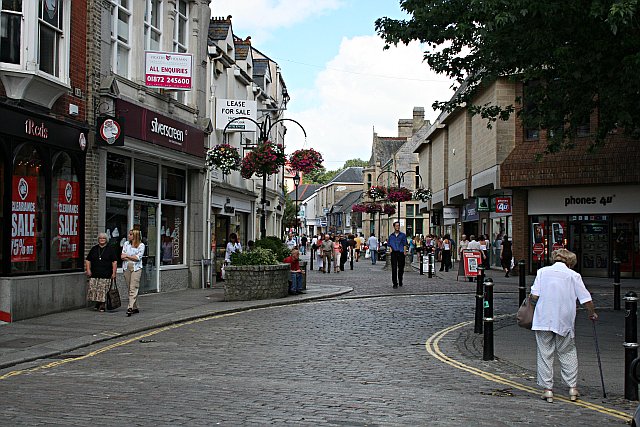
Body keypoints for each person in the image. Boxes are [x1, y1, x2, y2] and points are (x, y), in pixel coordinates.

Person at [530, 248, 598, 403]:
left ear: (555, 258)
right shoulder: (573, 276)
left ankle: (548, 390)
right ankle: (572, 387)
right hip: (564, 319)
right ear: (570, 262)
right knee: (567, 352)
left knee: (545, 353)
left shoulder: (542, 272)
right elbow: (586, 299)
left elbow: (534, 295)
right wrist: (592, 313)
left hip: (543, 318)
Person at [85, 232, 117, 312]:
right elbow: (88, 260)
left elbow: (114, 262)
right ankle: (98, 303)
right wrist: (88, 269)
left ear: (106, 240)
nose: (102, 240)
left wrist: (114, 273)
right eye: (100, 238)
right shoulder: (94, 249)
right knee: (95, 289)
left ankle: (102, 304)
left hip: (106, 274)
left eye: (103, 238)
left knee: (103, 290)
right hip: (95, 273)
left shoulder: (110, 249)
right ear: (98, 240)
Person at [121, 229, 146, 317]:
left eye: (131, 234)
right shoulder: (126, 244)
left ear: (135, 236)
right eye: (129, 234)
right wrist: (131, 257)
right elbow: (122, 256)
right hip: (126, 267)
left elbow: (138, 258)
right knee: (129, 287)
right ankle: (135, 307)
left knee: (133, 287)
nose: (129, 236)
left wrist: (127, 256)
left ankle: (130, 307)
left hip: (136, 268)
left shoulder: (141, 245)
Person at [388, 221, 407, 288]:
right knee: (394, 268)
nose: (397, 227)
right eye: (396, 226)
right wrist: (390, 250)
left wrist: (404, 252)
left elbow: (405, 244)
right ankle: (395, 283)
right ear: (394, 227)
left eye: (398, 226)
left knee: (401, 268)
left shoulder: (403, 235)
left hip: (401, 252)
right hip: (394, 253)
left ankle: (400, 280)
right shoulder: (391, 236)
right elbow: (389, 244)